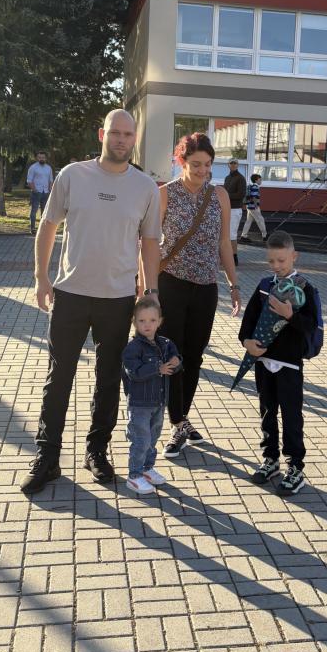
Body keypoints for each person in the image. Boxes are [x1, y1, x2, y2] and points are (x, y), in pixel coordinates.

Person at [20, 110, 161, 496]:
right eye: (115, 133)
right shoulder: (72, 175)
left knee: (109, 379)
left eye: (128, 134)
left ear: (135, 138)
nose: (121, 140)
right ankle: (47, 456)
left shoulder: (145, 187)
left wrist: (151, 291)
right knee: (59, 377)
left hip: (118, 298)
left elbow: (150, 242)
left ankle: (97, 451)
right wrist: (41, 276)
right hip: (70, 294)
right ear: (102, 134)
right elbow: (48, 225)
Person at [157, 133, 240, 458]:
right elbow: (148, 243)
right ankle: (178, 422)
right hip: (171, 285)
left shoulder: (219, 195)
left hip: (206, 288)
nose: (203, 171)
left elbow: (224, 244)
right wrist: (146, 287)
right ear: (181, 161)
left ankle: (180, 418)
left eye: (207, 165)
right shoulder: (165, 194)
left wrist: (234, 284)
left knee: (194, 356)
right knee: (172, 356)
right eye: (196, 164)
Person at [239, 231, 318, 496]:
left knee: (291, 416)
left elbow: (311, 326)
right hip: (264, 363)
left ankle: (295, 467)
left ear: (294, 256)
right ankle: (270, 459)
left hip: (289, 365)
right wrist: (246, 342)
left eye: (281, 260)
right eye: (271, 261)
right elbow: (249, 320)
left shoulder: (305, 288)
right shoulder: (264, 286)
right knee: (267, 412)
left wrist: (290, 315)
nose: (276, 266)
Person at [121, 297, 182, 495]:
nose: (147, 325)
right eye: (142, 321)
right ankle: (134, 476)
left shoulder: (166, 344)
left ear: (160, 322)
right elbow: (134, 372)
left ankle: (147, 469)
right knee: (141, 440)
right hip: (139, 404)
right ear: (134, 322)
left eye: (152, 320)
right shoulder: (133, 348)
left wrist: (176, 361)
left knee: (153, 438)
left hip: (159, 402)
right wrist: (157, 368)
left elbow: (176, 361)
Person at [223, 158, 247, 265]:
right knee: (225, 234)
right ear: (228, 165)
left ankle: (234, 257)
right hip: (226, 209)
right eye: (231, 163)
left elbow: (241, 194)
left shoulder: (241, 178)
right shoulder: (227, 178)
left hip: (235, 209)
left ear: (238, 165)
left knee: (232, 234)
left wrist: (226, 195)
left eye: (235, 163)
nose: (233, 165)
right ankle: (227, 256)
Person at [27, 151, 54, 236]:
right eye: (40, 157)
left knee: (45, 212)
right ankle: (32, 229)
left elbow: (51, 180)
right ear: (37, 158)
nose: (41, 159)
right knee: (34, 211)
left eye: (43, 157)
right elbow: (29, 181)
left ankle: (43, 229)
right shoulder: (33, 167)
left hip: (46, 192)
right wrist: (34, 190)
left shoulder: (48, 168)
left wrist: (49, 190)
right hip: (36, 192)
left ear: (45, 158)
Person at [240, 173, 267, 243]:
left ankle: (243, 235)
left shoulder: (251, 186)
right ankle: (265, 235)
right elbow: (254, 197)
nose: (261, 181)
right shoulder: (255, 187)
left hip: (249, 206)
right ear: (256, 180)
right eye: (260, 179)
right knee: (260, 220)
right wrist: (256, 205)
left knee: (248, 221)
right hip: (253, 207)